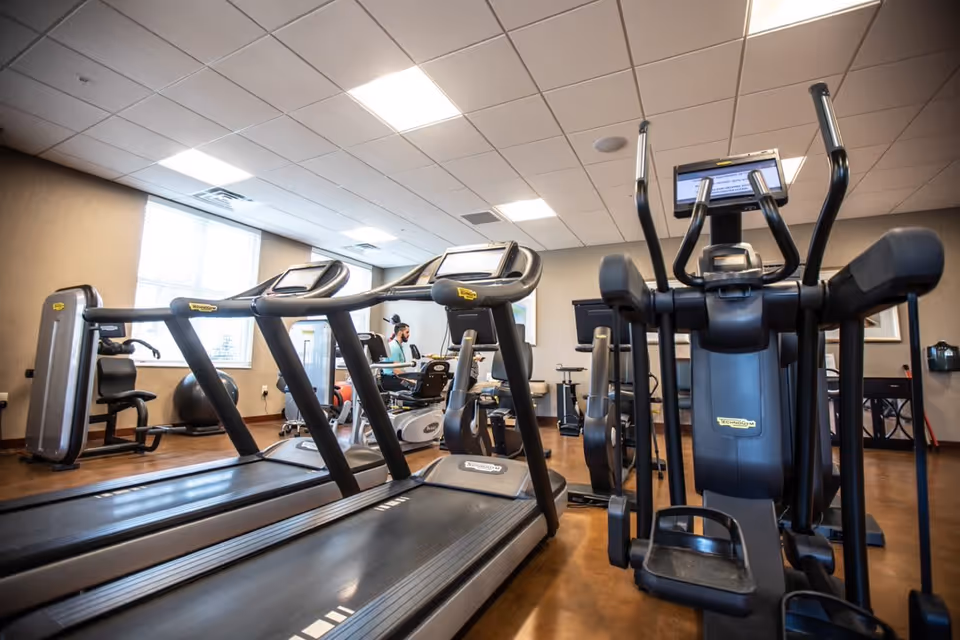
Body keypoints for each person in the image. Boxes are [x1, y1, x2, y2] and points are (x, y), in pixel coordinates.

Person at [381, 322, 413, 392]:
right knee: (414, 388)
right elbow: (396, 370)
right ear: (400, 333)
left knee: (415, 386)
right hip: (391, 379)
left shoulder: (398, 346)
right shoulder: (393, 347)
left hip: (397, 377)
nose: (408, 335)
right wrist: (411, 381)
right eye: (407, 332)